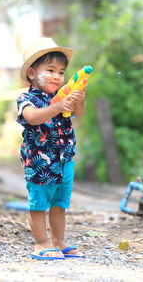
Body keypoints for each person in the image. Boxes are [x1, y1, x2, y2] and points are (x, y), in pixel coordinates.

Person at [16, 37, 86, 260]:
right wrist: (56, 107)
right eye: (51, 70)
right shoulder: (27, 98)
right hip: (40, 163)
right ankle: (41, 243)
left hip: (64, 160)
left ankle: (59, 241)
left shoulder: (62, 97)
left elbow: (79, 112)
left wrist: (79, 100)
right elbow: (32, 117)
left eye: (61, 72)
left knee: (59, 204)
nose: (57, 76)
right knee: (39, 205)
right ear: (32, 73)